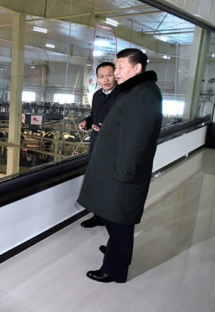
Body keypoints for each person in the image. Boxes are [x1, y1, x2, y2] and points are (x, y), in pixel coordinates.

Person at [77, 48, 162, 283]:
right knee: (116, 219)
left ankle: (115, 270)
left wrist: (124, 173)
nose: (116, 73)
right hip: (116, 168)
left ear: (137, 68)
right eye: (116, 67)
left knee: (120, 221)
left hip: (122, 172)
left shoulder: (143, 95)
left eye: (121, 67)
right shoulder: (133, 91)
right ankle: (118, 253)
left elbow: (136, 139)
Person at [78, 61, 119, 228]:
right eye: (102, 76)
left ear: (115, 75)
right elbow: (94, 115)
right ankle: (98, 216)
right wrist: (86, 122)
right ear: (97, 78)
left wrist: (106, 128)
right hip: (96, 145)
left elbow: (123, 122)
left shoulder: (122, 96)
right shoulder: (97, 95)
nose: (106, 79)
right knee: (96, 181)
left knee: (110, 183)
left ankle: (110, 217)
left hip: (113, 147)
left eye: (109, 75)